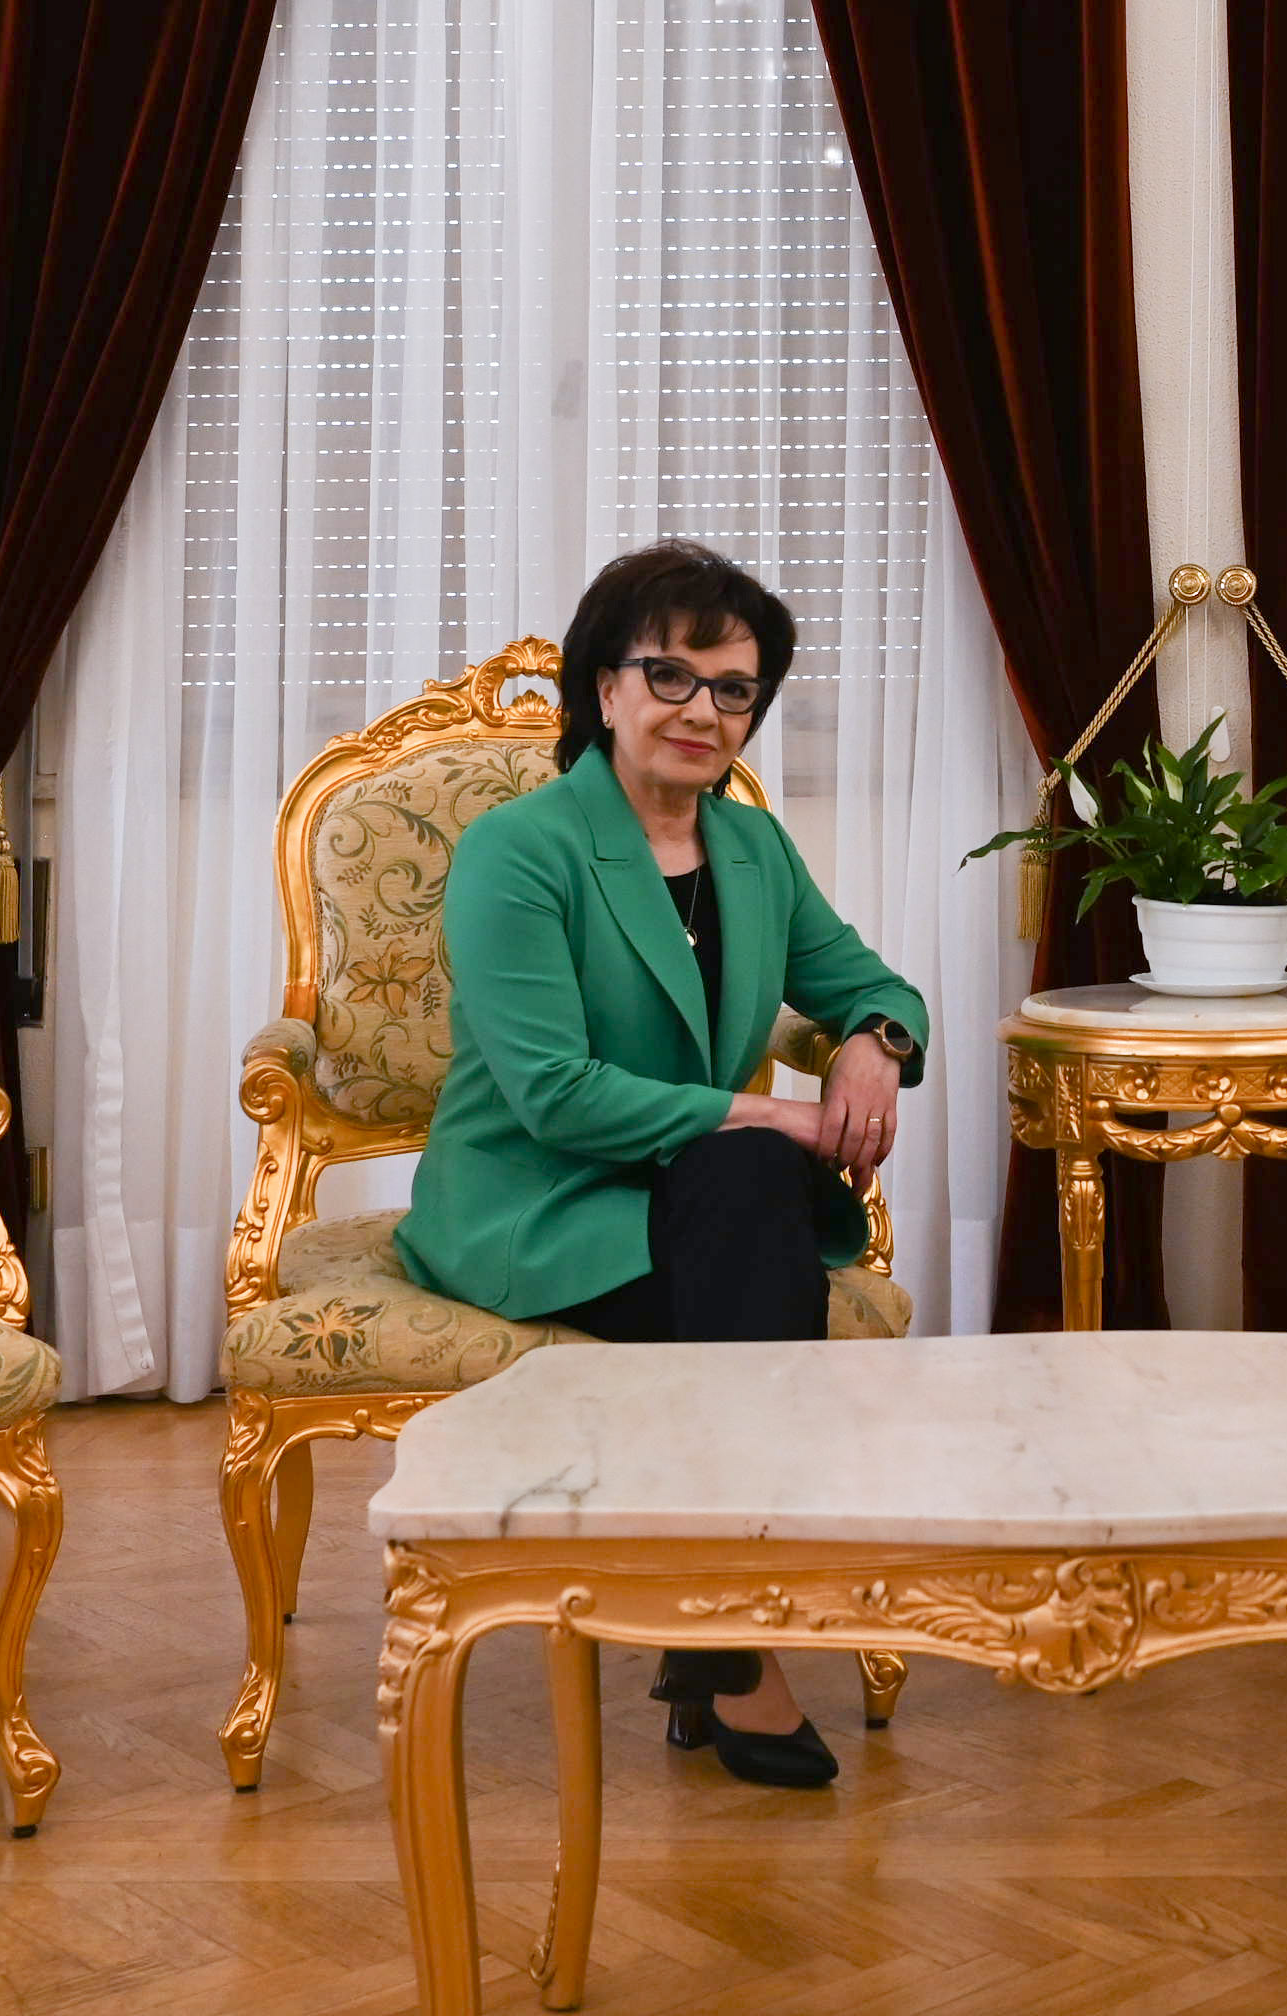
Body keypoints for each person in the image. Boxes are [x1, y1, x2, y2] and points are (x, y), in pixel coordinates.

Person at [393, 539, 928, 1789]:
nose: (701, 710)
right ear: (604, 685)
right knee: (756, 1198)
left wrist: (874, 1044)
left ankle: (711, 1623)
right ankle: (736, 1632)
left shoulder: (751, 849)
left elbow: (872, 984)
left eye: (733, 688)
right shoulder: (521, 848)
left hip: (699, 1196)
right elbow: (553, 1093)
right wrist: (780, 1119)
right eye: (670, 675)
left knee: (744, 1194)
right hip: (538, 1200)